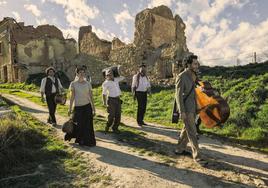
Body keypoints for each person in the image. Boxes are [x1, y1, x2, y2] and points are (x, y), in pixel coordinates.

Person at [174, 54, 206, 165]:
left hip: (194, 107)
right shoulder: (181, 76)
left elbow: (195, 90)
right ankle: (197, 157)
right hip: (186, 109)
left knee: (186, 129)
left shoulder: (194, 75)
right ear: (188, 64)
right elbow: (178, 96)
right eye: (195, 63)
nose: (197, 65)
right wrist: (181, 111)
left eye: (197, 63)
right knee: (192, 132)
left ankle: (179, 149)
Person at [65, 66, 96, 147]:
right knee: (80, 125)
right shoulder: (73, 84)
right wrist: (70, 108)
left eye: (83, 72)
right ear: (77, 74)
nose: (82, 74)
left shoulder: (88, 83)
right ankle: (80, 140)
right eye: (80, 72)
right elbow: (72, 97)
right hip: (78, 107)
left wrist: (94, 108)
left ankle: (89, 141)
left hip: (87, 106)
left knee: (88, 125)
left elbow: (91, 96)